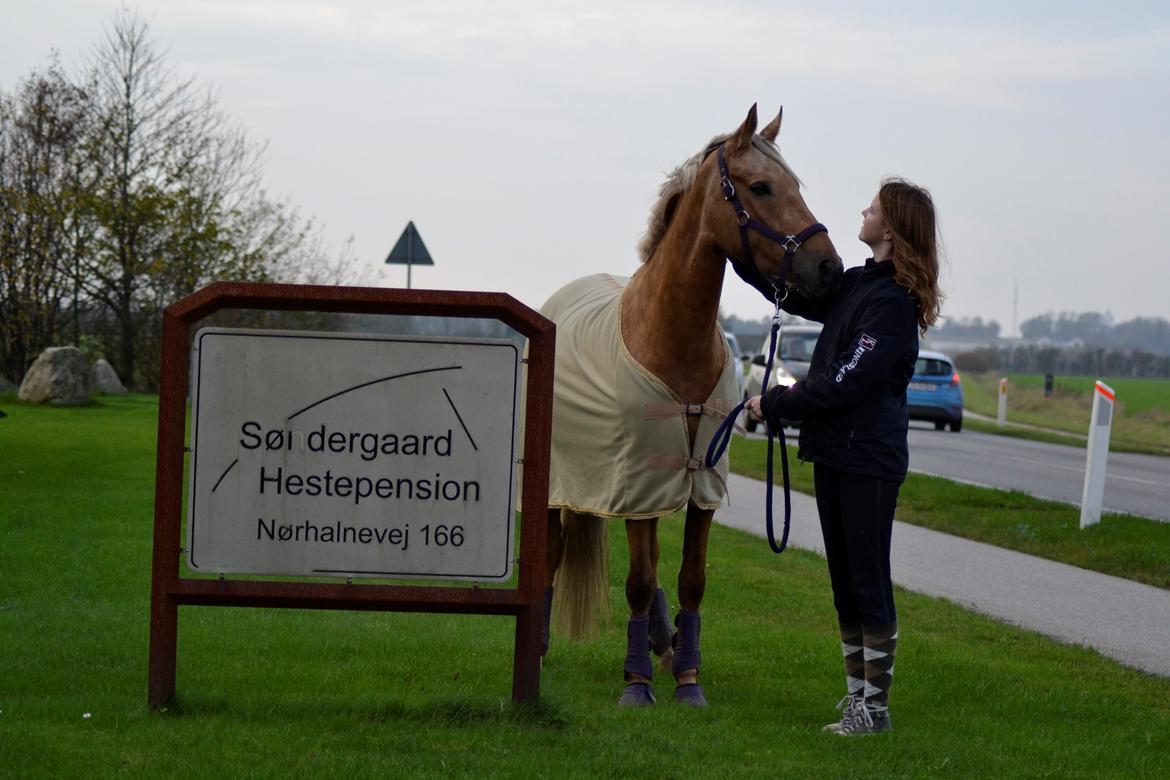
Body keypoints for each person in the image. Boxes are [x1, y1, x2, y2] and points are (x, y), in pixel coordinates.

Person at [745, 178, 942, 735]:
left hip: (868, 461)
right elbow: (805, 294)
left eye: (873, 208)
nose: (863, 210)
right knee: (843, 584)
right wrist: (744, 253)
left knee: (867, 582)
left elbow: (844, 384)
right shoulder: (858, 283)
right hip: (837, 454)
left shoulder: (895, 305)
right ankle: (858, 698)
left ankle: (874, 711)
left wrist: (776, 402)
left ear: (893, 227)